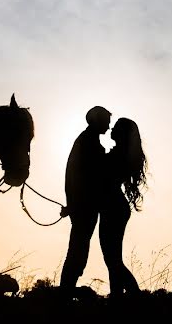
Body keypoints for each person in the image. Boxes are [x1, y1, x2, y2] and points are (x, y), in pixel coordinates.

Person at [58, 105, 112, 296]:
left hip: (83, 205)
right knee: (78, 249)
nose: (109, 125)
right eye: (107, 121)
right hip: (85, 206)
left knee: (79, 247)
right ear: (98, 121)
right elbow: (79, 175)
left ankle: (66, 291)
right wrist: (73, 204)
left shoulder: (87, 140)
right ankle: (65, 293)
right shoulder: (88, 142)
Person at [100, 117, 147, 297]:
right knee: (113, 260)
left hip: (112, 208)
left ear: (121, 133)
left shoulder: (117, 155)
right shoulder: (122, 154)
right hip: (115, 207)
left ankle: (135, 297)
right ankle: (118, 299)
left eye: (116, 127)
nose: (111, 129)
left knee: (112, 260)